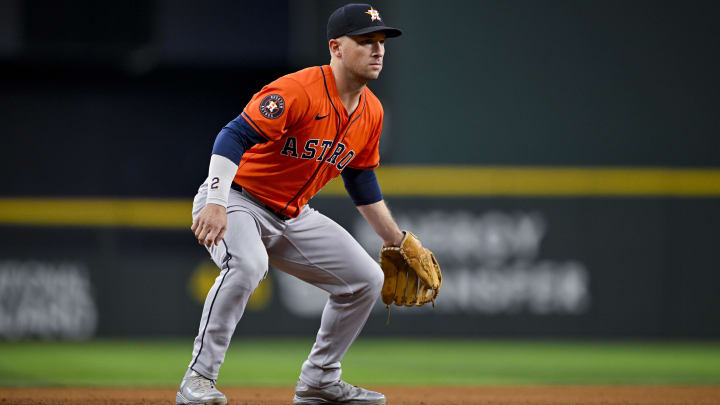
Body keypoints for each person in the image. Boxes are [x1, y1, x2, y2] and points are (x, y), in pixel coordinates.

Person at [176, 4, 404, 405]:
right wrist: (214, 201)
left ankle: (319, 380)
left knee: (366, 280)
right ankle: (197, 378)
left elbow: (361, 179)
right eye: (366, 41)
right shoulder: (297, 90)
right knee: (248, 264)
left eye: (381, 42)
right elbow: (232, 136)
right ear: (335, 47)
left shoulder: (372, 111)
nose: (378, 51)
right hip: (237, 199)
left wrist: (396, 240)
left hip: (293, 216)